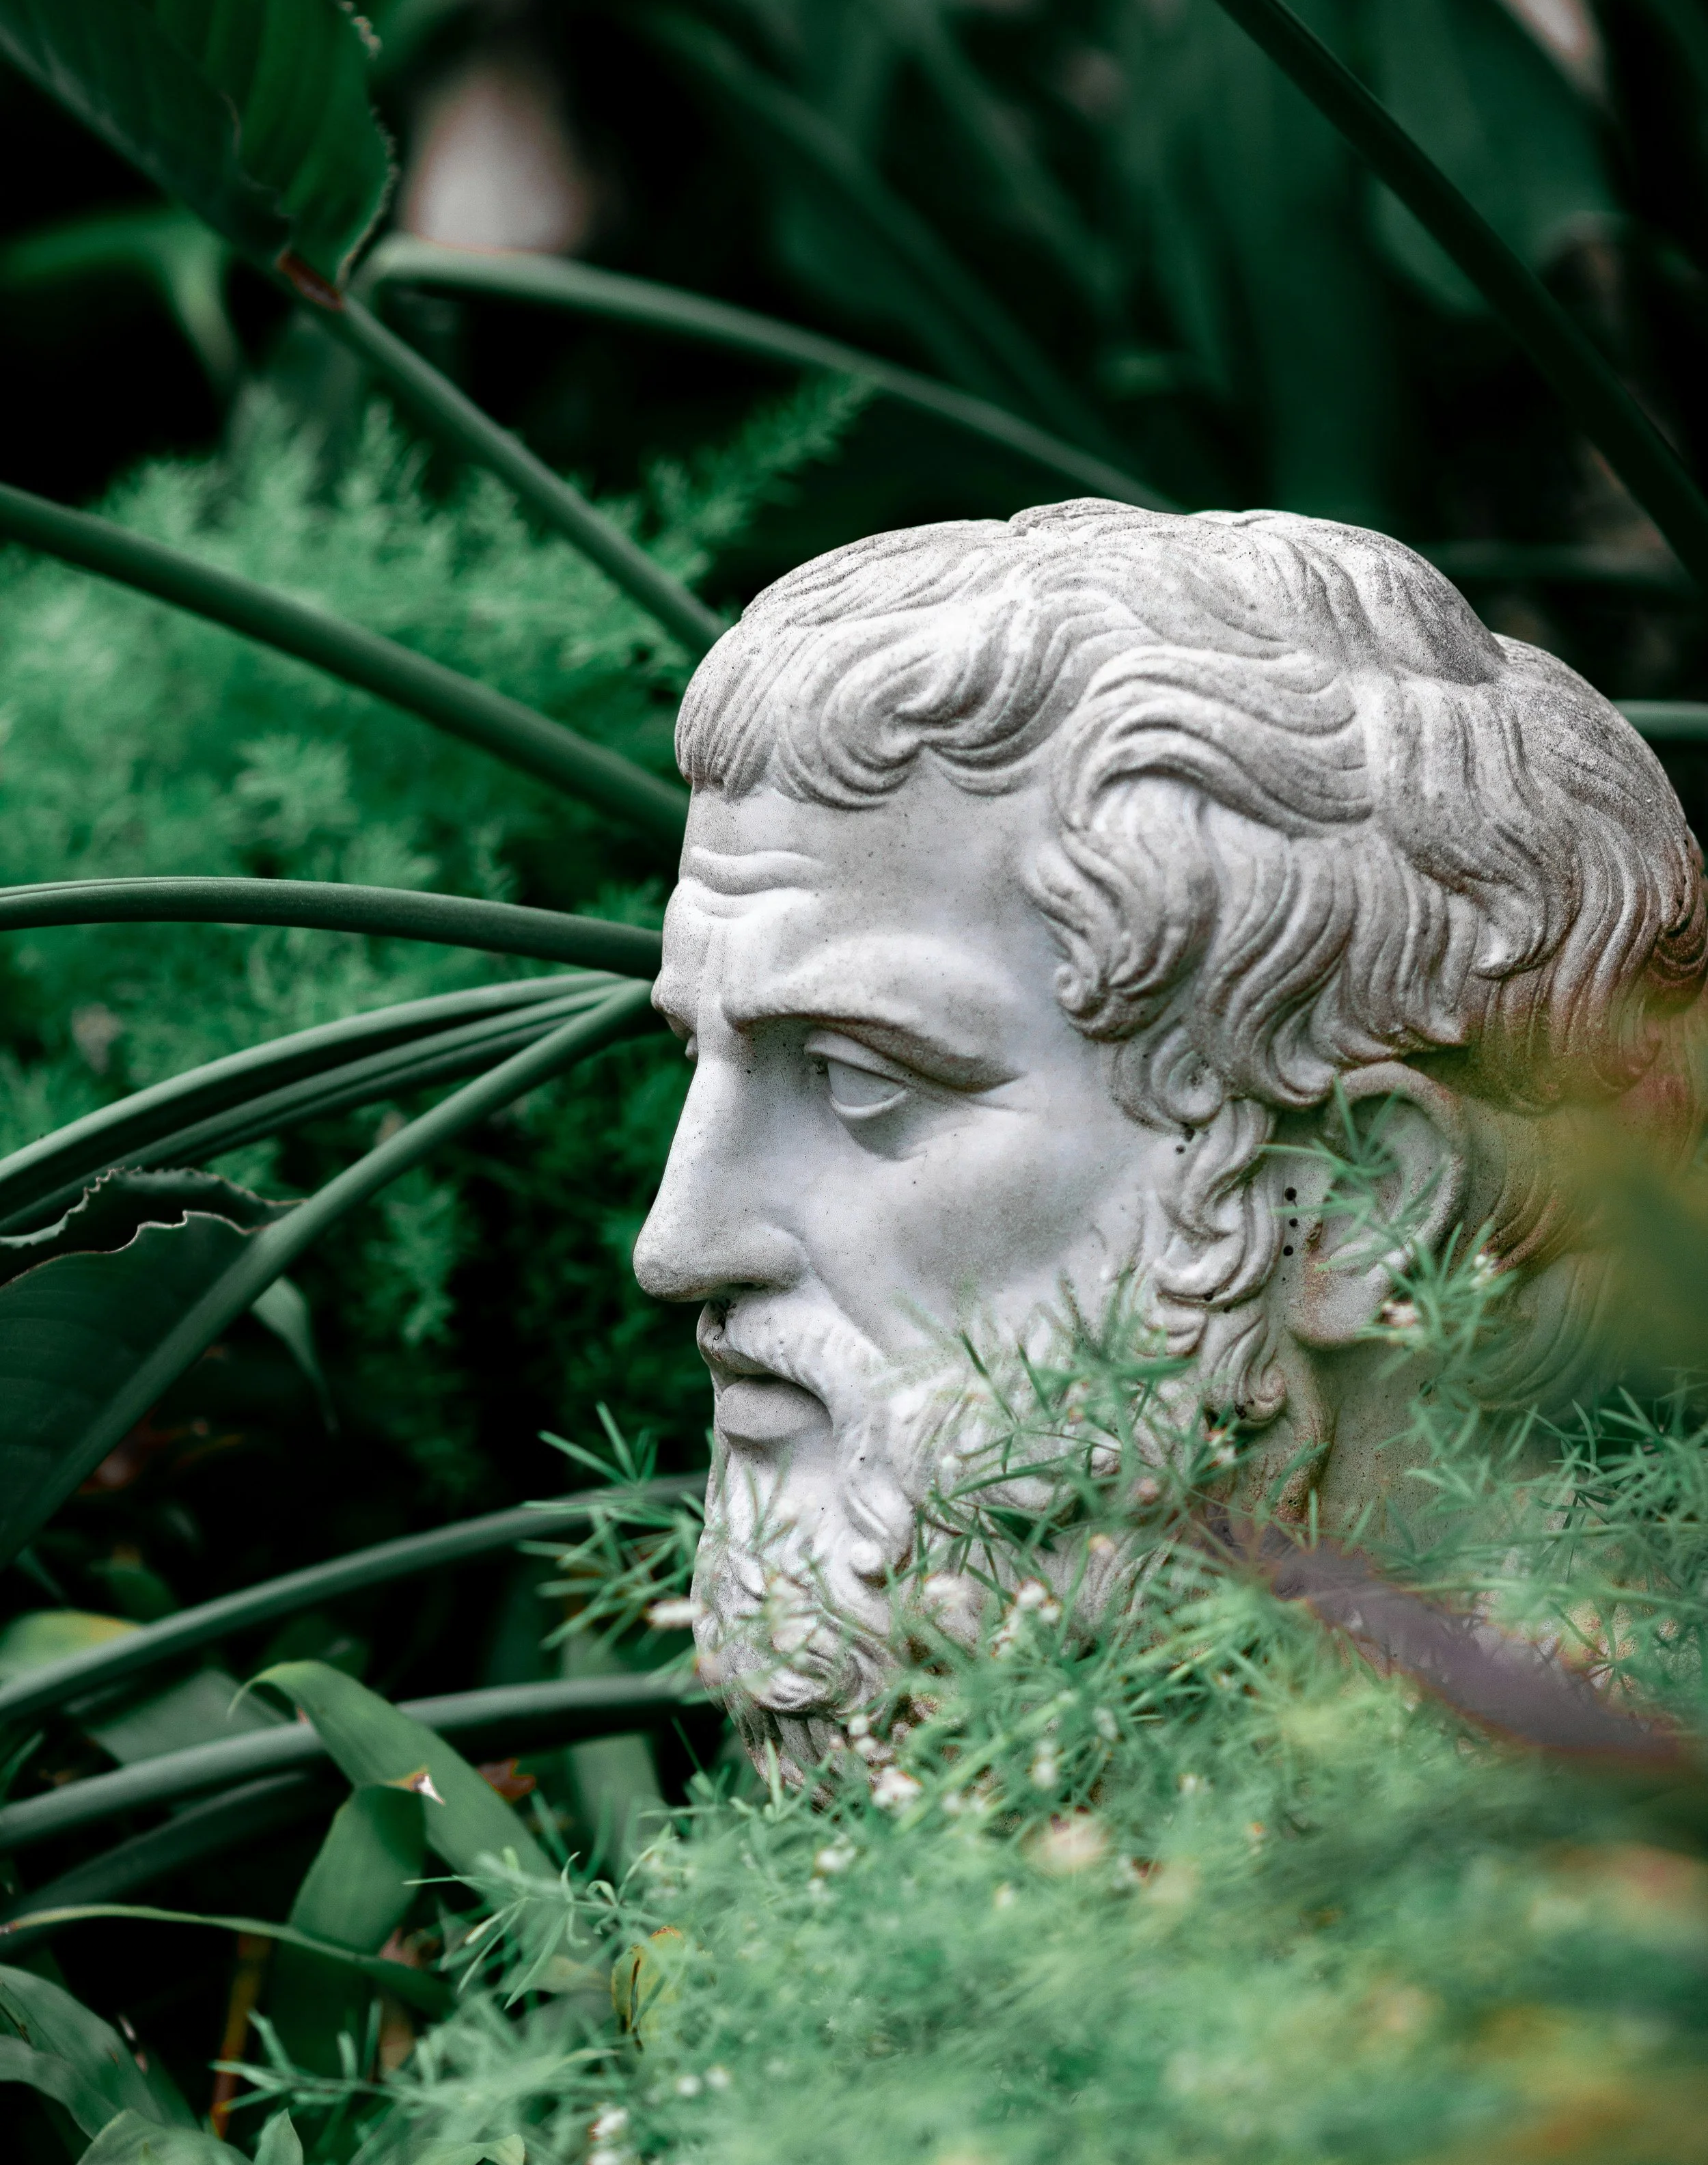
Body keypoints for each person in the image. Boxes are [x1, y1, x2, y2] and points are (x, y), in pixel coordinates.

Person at [633, 501, 1707, 1778]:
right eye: (700, 1058)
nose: (677, 1243)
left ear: (1353, 1202)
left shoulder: (1599, 1932)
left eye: (864, 1084)